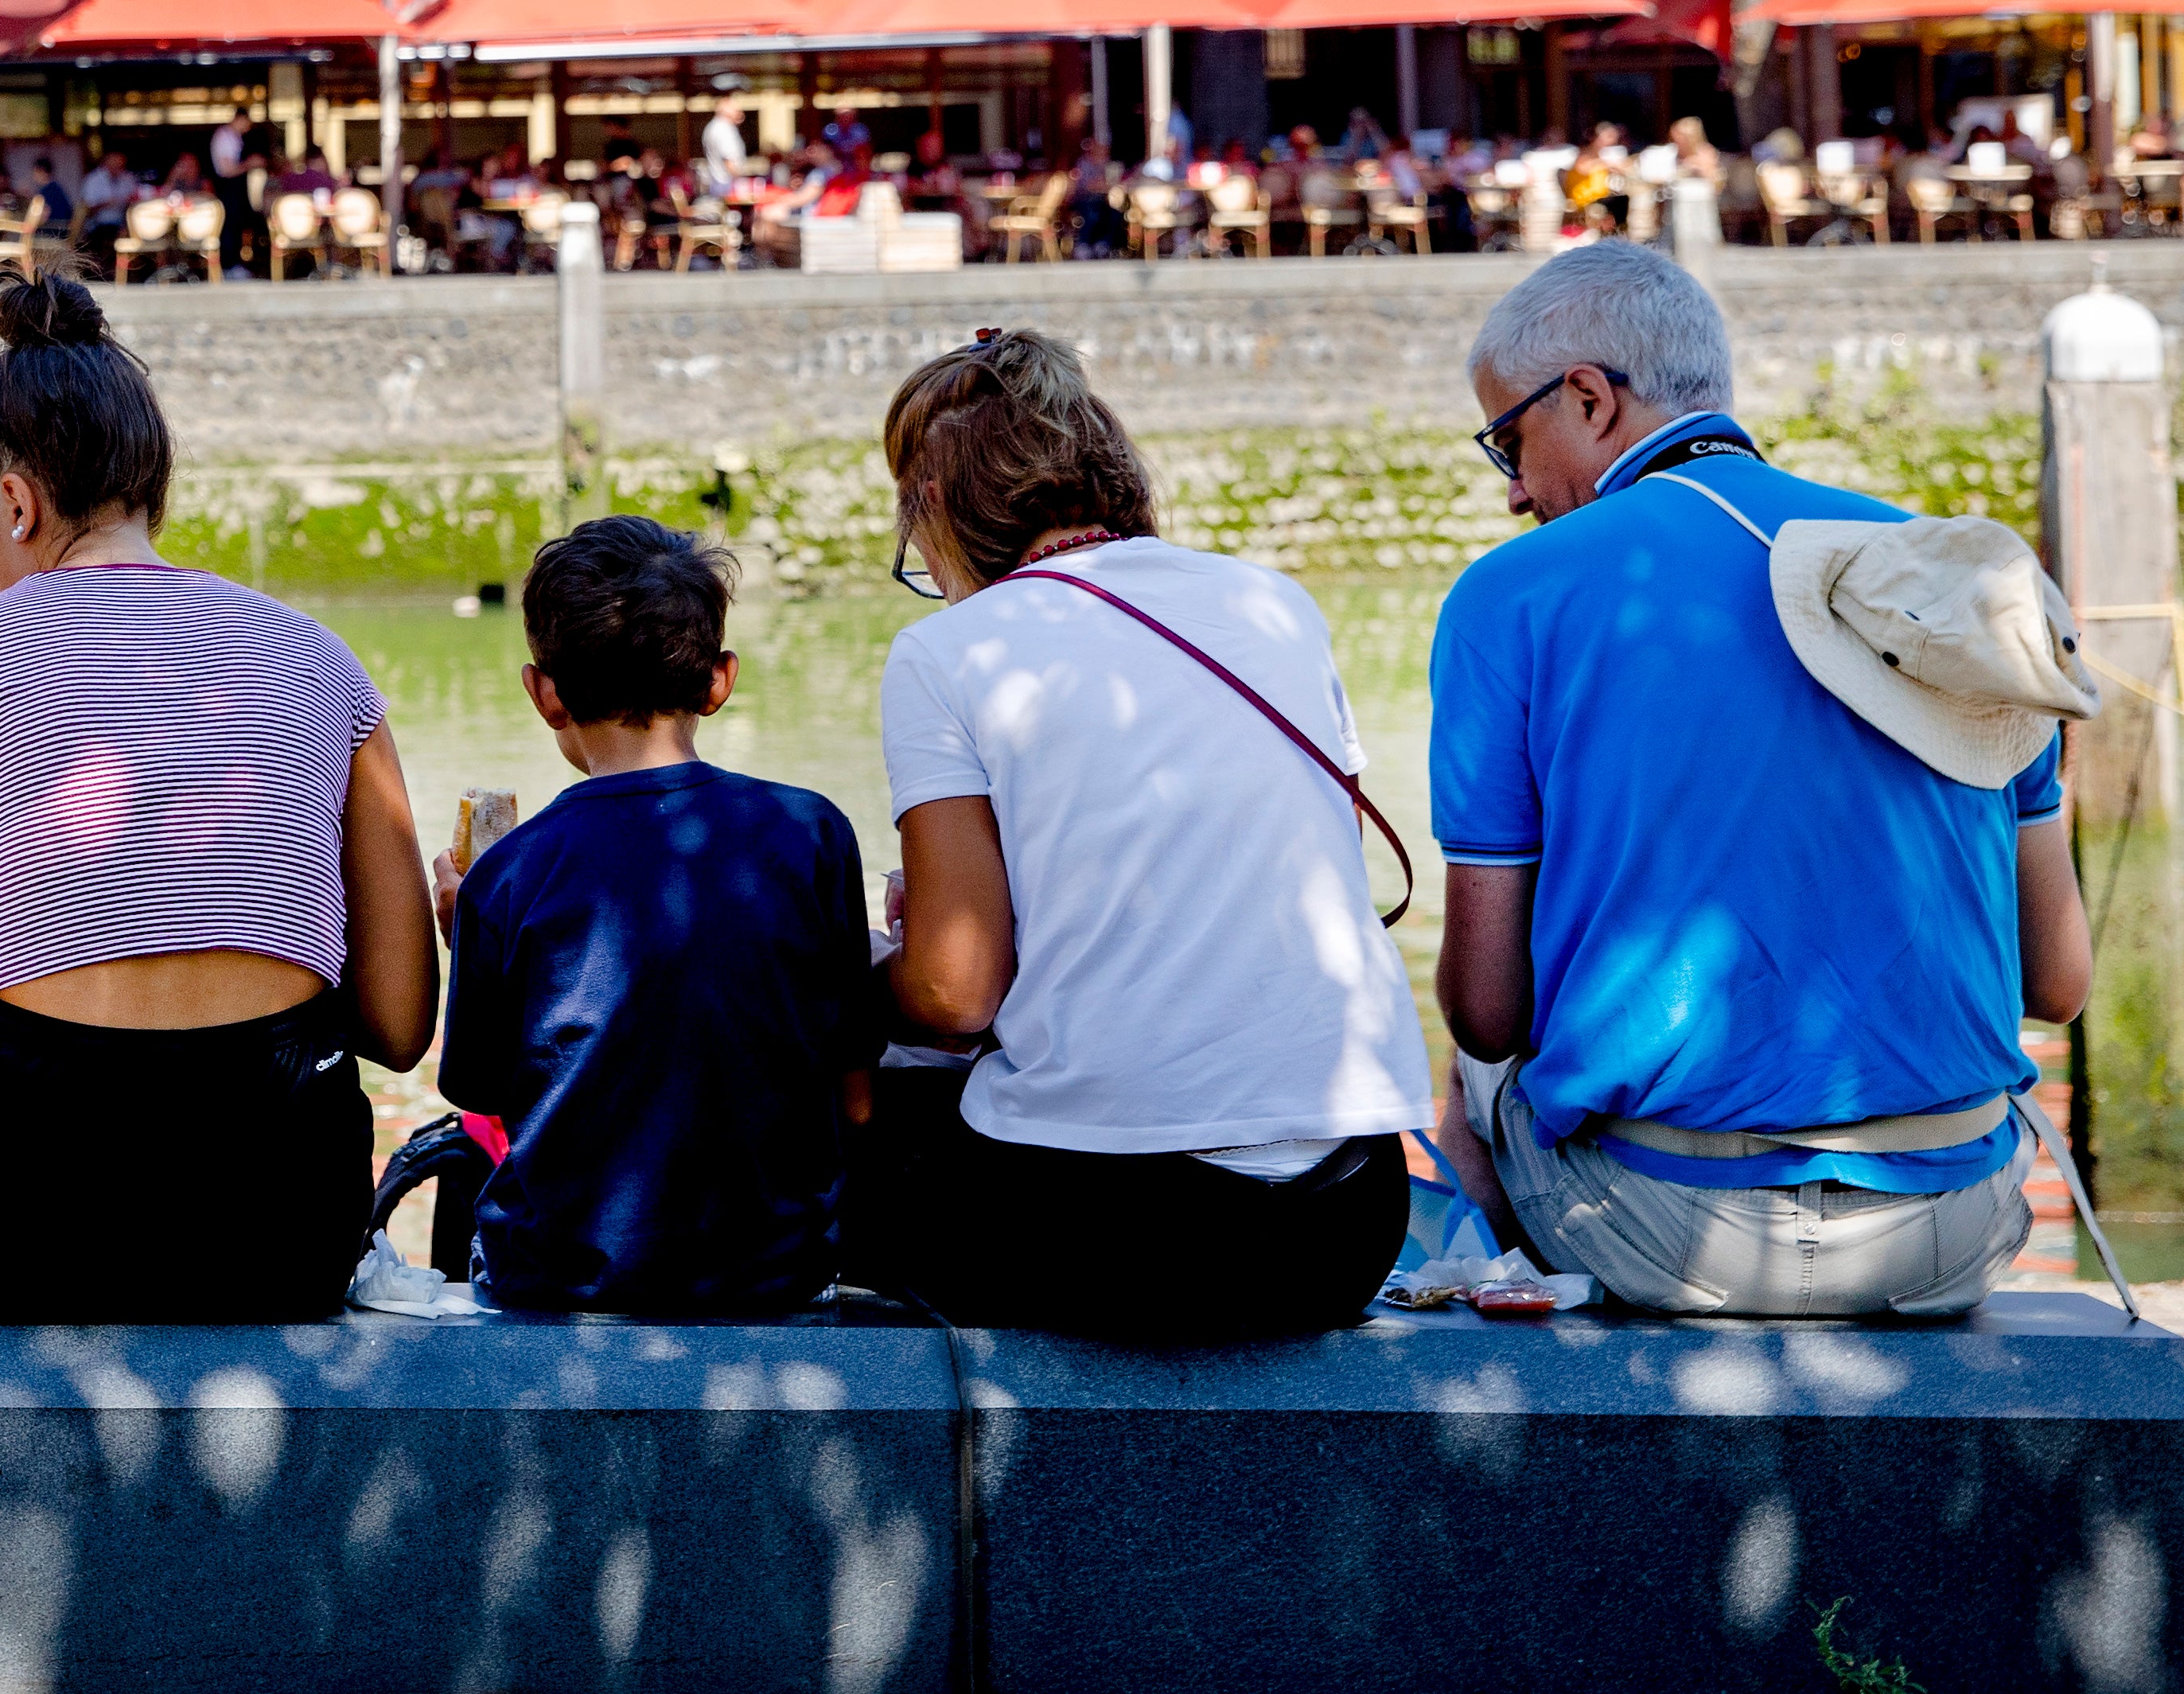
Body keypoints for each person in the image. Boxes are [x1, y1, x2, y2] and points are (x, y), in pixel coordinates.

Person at [1431, 243, 2089, 1318]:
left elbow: (1489, 1014)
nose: (1513, 489)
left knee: (1469, 1068)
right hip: (1956, 1228)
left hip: (1676, 1233)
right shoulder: (1946, 575)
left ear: (1590, 399)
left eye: (1510, 438)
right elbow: (2058, 984)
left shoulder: (1510, 595)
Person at [0, 275, 435, 1320]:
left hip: (9, 1227)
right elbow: (399, 1025)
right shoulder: (326, 666)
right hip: (283, 1235)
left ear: (14, 503)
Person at [845, 329, 1429, 1341]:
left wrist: (864, 975)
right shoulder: (1272, 601)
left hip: (1127, 1239)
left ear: (934, 512)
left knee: (849, 1105)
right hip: (1346, 1222)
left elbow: (952, 992)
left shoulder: (946, 653)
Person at [430, 517, 876, 1318]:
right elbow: (852, 1088)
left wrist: (471, 937)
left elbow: (483, 1091)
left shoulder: (510, 872)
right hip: (779, 1272)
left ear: (545, 693)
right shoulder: (812, 832)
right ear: (718, 681)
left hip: (562, 1277)